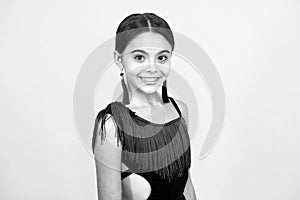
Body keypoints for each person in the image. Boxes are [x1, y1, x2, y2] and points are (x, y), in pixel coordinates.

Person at [92, 13, 197, 200]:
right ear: (119, 59)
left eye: (162, 58)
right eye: (139, 57)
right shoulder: (111, 126)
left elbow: (186, 184)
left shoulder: (180, 111)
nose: (152, 68)